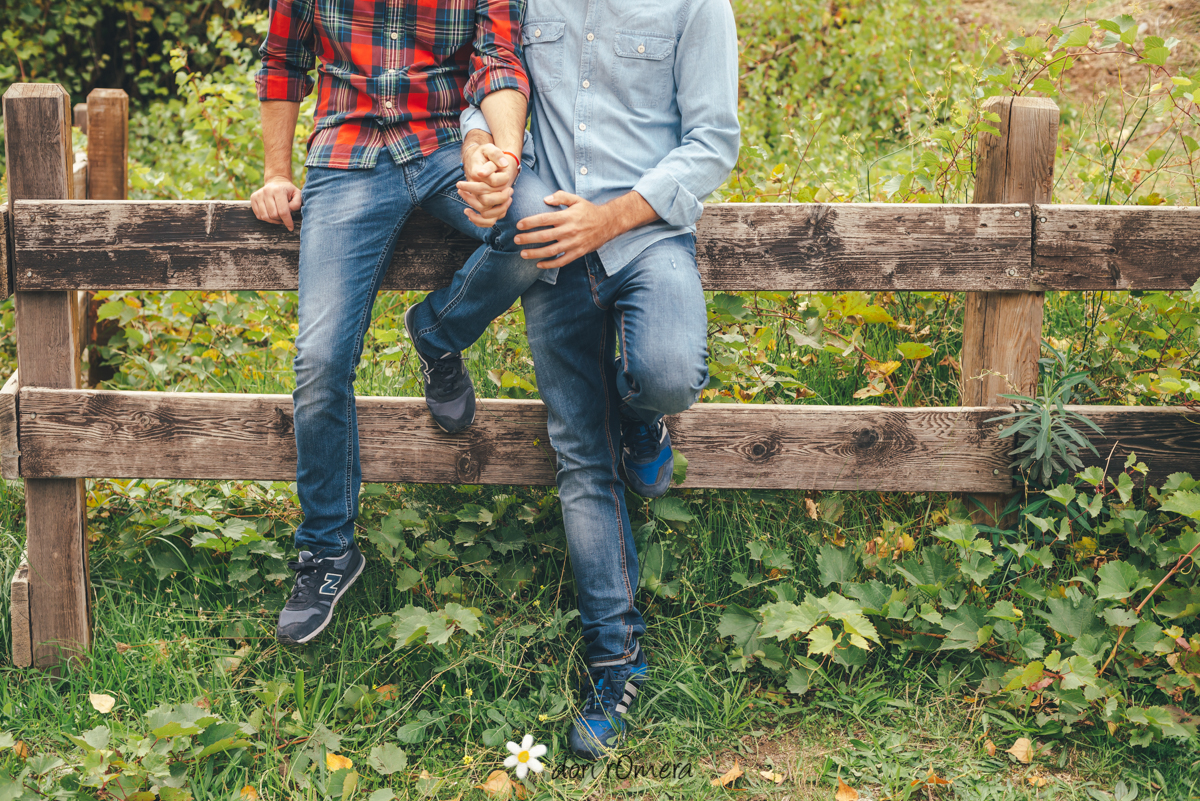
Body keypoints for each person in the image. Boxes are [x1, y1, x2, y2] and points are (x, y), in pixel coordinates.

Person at [458, 0, 740, 760]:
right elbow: (485, 82)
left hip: (649, 237)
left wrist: (609, 219)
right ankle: (616, 667)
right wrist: (481, 146)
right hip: (552, 249)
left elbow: (714, 142)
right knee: (582, 457)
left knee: (668, 374)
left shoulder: (696, 6)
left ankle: (643, 418)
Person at [251, 0, 562, 646]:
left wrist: (505, 157)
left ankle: (437, 332)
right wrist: (276, 175)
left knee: (537, 229)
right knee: (319, 361)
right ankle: (327, 548)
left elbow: (498, 60)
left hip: (448, 144)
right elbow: (283, 60)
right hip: (347, 155)